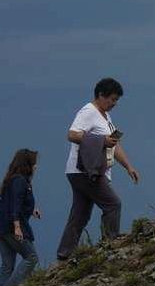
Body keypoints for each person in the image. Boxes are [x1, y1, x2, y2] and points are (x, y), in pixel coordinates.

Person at [56, 77, 140, 260]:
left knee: (80, 214)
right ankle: (109, 245)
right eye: (112, 99)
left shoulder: (106, 116)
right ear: (101, 95)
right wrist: (102, 140)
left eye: (116, 100)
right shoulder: (88, 111)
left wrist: (128, 166)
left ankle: (64, 254)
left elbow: (114, 145)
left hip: (82, 172)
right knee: (112, 204)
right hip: (86, 171)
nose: (114, 104)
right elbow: (72, 134)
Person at [0, 148, 42, 286]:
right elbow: (15, 205)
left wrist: (32, 210)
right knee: (31, 258)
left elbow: (13, 201)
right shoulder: (20, 181)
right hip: (11, 227)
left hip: (1, 227)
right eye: (34, 163)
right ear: (28, 165)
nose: (36, 166)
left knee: (7, 265)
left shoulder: (13, 179)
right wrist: (17, 227)